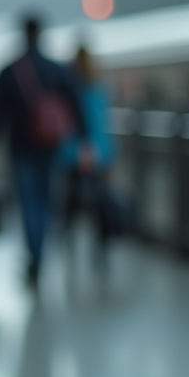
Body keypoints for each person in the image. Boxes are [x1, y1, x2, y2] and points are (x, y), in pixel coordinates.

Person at [0, 16, 90, 288]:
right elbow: (76, 105)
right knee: (49, 202)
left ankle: (34, 258)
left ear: (22, 33)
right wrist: (85, 143)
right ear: (42, 33)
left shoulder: (11, 71)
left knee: (29, 203)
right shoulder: (58, 70)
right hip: (52, 148)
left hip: (21, 148)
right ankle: (41, 254)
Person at [60, 46, 119, 266]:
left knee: (72, 203)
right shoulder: (99, 90)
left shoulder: (69, 90)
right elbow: (104, 127)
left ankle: (68, 242)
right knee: (100, 204)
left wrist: (76, 151)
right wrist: (108, 156)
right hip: (99, 156)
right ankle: (101, 249)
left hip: (72, 156)